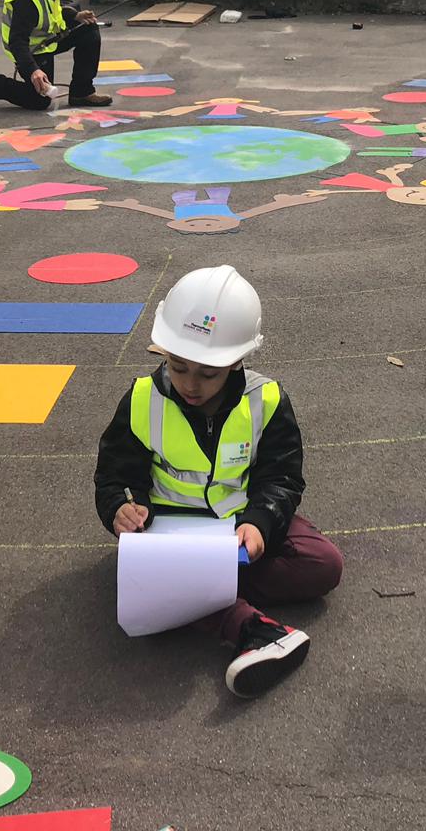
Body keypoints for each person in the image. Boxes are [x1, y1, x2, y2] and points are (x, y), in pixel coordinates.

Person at [93, 265, 343, 696]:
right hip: (169, 532)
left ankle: (190, 593)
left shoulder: (267, 400)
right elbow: (115, 475)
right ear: (162, 353)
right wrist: (122, 505)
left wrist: (261, 522)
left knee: (324, 564)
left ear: (237, 361)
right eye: (178, 366)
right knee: (145, 577)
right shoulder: (140, 399)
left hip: (236, 528)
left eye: (208, 373)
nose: (191, 384)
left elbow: (281, 477)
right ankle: (248, 625)